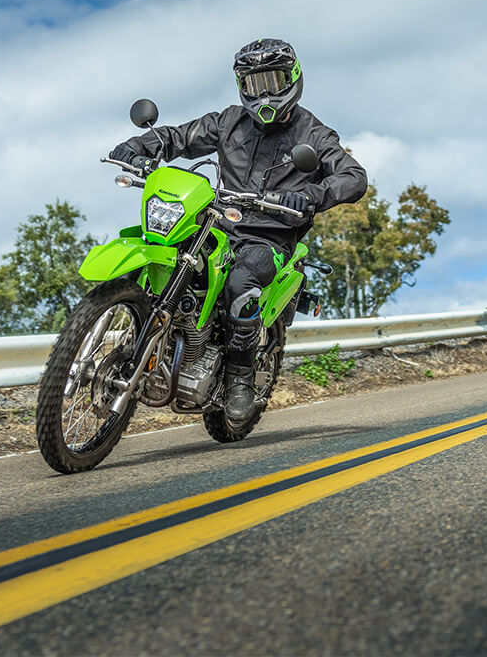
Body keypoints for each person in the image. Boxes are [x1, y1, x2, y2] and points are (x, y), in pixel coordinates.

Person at [109, 38, 367, 423]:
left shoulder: (313, 133)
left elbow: (353, 177)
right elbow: (180, 136)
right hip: (218, 222)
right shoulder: (229, 121)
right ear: (241, 86)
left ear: (292, 79)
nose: (262, 93)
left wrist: (312, 194)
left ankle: (239, 380)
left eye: (271, 81)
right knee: (165, 248)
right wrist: (141, 145)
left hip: (270, 236)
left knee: (240, 281)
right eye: (252, 84)